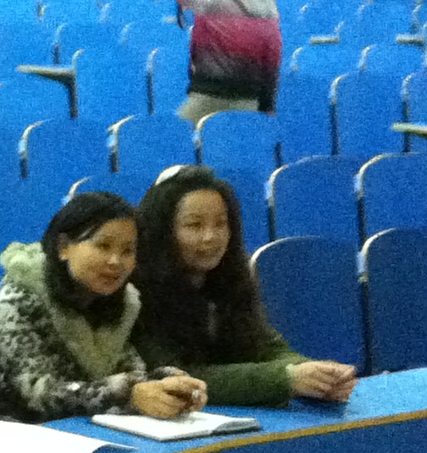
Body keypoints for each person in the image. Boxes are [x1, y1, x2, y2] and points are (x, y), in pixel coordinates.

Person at [0, 191, 210, 423]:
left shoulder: (118, 303)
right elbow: (40, 393)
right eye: (103, 246)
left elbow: (130, 374)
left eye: (127, 251)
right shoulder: (20, 299)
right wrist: (129, 394)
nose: (115, 261)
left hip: (74, 430)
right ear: (63, 247)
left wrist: (167, 383)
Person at [133, 166, 357, 406]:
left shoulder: (231, 282)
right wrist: (286, 378)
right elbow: (180, 375)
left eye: (220, 224)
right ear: (162, 232)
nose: (210, 237)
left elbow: (266, 346)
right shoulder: (138, 294)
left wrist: (317, 374)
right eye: (194, 226)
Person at [161, 0, 282, 122]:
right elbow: (273, 54)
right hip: (250, 98)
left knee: (174, 135)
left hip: (210, 96)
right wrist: (267, 104)